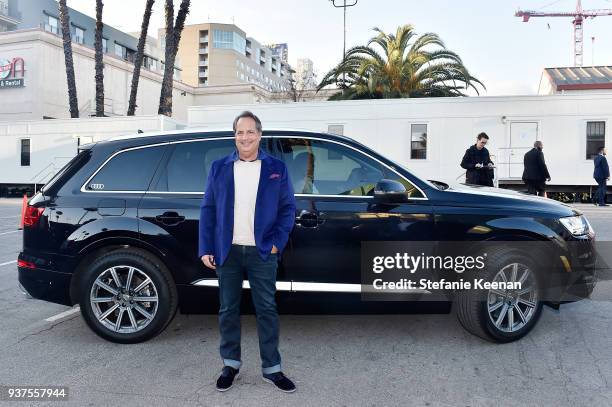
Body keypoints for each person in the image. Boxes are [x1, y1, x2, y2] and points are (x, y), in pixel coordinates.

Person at [199, 111, 297, 393]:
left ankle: (272, 369)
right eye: (240, 133)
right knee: (228, 308)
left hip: (263, 251)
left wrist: (278, 240)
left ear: (259, 135)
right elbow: (208, 209)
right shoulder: (219, 168)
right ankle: (230, 364)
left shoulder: (276, 168)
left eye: (250, 132)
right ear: (234, 136)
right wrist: (206, 247)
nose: (245, 137)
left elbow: (288, 207)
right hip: (227, 251)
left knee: (266, 308)